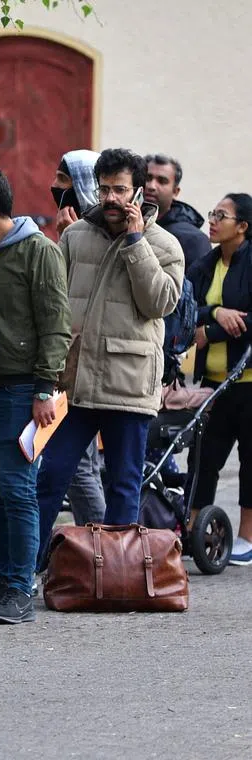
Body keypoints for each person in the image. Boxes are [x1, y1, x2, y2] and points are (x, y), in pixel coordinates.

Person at [35, 148, 184, 567]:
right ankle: (24, 572)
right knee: (49, 479)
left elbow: (159, 303)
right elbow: (55, 304)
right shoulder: (76, 235)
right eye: (104, 189)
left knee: (123, 485)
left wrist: (136, 241)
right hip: (77, 384)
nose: (112, 198)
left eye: (120, 189)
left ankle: (117, 575)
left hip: (128, 385)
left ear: (138, 191)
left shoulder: (164, 244)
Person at [0, 169, 71, 625]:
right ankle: (5, 582)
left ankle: (22, 590)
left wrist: (45, 387)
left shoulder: (39, 251)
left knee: (19, 492)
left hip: (22, 391)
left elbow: (55, 323)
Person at [188, 193, 252, 566]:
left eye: (221, 216)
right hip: (212, 384)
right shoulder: (206, 263)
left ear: (242, 226)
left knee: (250, 460)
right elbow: (183, 305)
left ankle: (246, 536)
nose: (212, 220)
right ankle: (195, 530)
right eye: (212, 214)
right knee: (203, 458)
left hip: (248, 381)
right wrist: (215, 311)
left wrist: (209, 332)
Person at [50, 150, 107, 531]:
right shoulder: (73, 230)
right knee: (70, 467)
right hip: (66, 367)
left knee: (79, 468)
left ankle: (104, 548)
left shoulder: (96, 233)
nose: (56, 186)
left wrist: (64, 242)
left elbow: (66, 294)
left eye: (63, 179)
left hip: (88, 368)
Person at [145, 154, 211, 272]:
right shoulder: (120, 225)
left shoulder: (194, 240)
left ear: (175, 192)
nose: (151, 186)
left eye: (162, 181)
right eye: (148, 178)